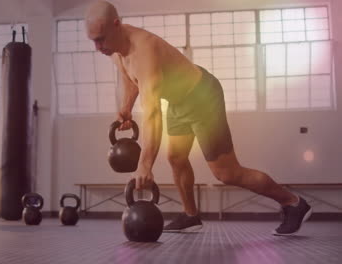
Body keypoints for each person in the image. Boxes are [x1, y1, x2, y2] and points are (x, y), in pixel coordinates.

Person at [84, 1, 312, 235]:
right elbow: (130, 77)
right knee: (176, 157)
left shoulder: (144, 49)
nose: (97, 46)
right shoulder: (113, 48)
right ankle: (191, 214)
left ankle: (293, 203)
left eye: (100, 39)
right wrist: (126, 108)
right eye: (93, 40)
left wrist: (144, 165)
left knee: (226, 173)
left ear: (117, 25)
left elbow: (152, 113)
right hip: (178, 102)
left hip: (202, 97)